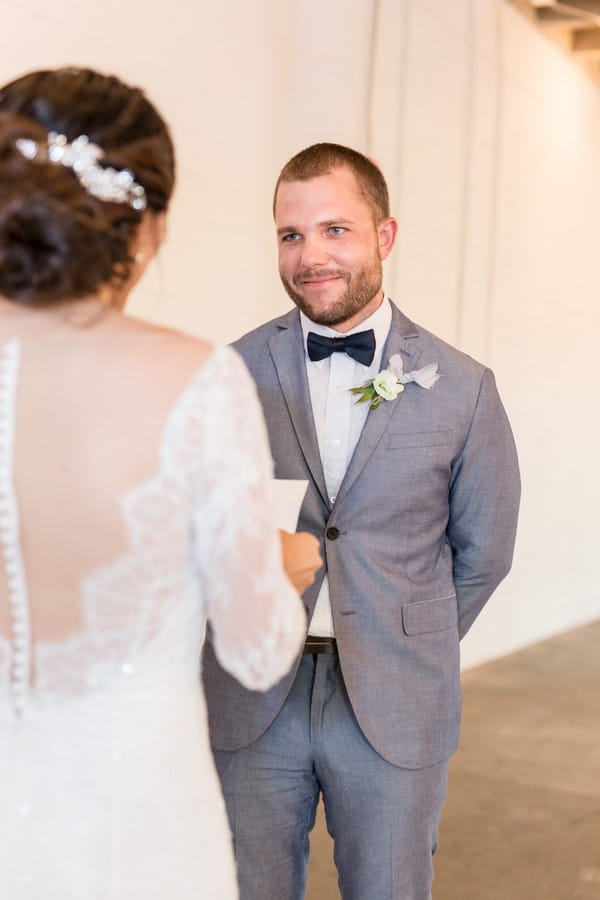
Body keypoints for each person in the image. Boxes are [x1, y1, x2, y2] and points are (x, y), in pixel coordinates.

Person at [0, 67, 321, 899]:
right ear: (147, 229)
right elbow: (256, 654)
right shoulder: (196, 381)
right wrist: (281, 570)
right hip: (133, 818)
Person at [202, 142, 521, 899]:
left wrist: (402, 633)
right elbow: (202, 533)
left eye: (335, 230)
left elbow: (486, 551)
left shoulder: (465, 388)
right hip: (253, 694)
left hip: (394, 697)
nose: (310, 255)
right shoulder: (226, 375)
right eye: (291, 234)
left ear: (385, 236)